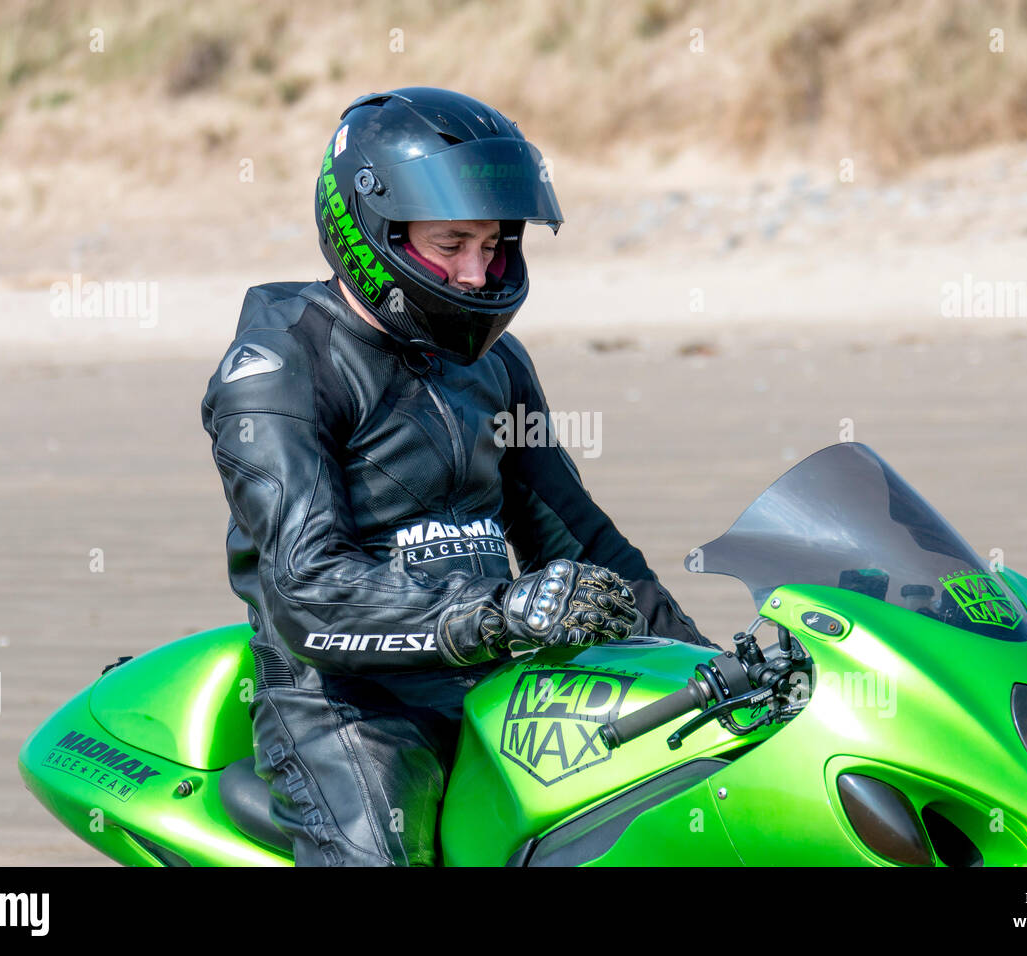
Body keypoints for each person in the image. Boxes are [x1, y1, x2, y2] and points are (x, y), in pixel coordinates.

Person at [200, 87, 709, 866]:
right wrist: (501, 613)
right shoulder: (277, 369)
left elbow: (575, 535)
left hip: (493, 672)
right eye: (452, 244)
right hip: (346, 706)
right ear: (373, 230)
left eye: (496, 245)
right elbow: (309, 590)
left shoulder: (496, 365)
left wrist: (707, 664)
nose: (477, 274)